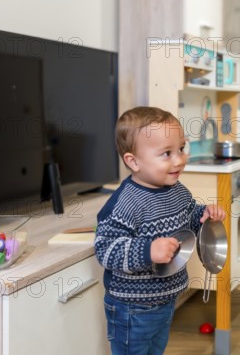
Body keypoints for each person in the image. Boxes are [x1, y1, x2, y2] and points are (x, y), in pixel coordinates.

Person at [95, 106, 226, 355]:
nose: (178, 160)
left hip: (166, 300)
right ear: (133, 161)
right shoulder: (126, 203)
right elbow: (105, 249)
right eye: (166, 153)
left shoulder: (177, 190)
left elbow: (188, 217)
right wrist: (148, 250)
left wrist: (204, 215)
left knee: (157, 349)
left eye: (181, 149)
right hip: (131, 308)